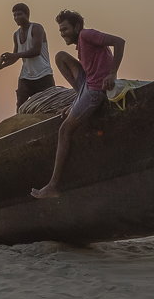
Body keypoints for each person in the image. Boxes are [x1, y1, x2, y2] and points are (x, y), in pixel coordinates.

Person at [30, 10, 126, 199]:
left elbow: (119, 42)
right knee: (60, 57)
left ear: (76, 27)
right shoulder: (81, 44)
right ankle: (77, 99)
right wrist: (76, 101)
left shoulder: (86, 34)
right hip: (87, 86)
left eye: (65, 29)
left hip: (95, 91)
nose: (63, 33)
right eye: (60, 30)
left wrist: (112, 73)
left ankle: (53, 186)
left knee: (64, 130)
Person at [0, 3, 55, 109]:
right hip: (26, 76)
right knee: (20, 106)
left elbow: (36, 51)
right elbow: (15, 56)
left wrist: (15, 55)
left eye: (19, 14)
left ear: (27, 15)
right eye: (14, 15)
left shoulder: (37, 28)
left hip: (43, 74)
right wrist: (2, 65)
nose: (16, 18)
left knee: (49, 107)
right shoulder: (16, 34)